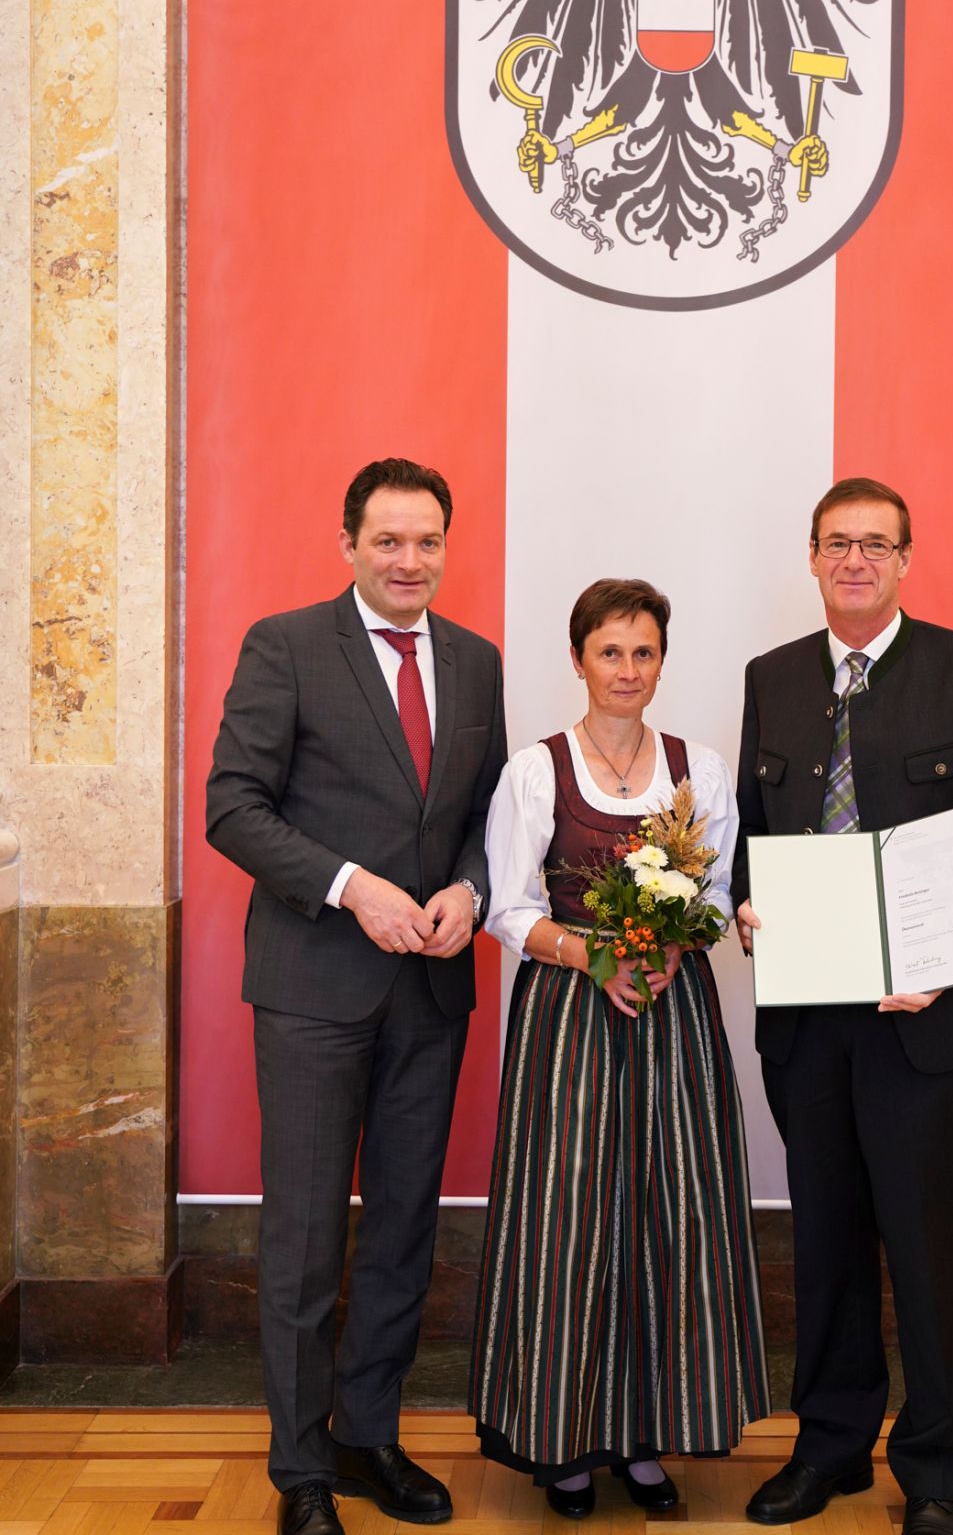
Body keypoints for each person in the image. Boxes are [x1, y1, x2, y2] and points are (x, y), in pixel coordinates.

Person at [734, 479, 953, 1535]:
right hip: (808, 1019)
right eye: (839, 543)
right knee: (823, 1234)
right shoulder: (771, 677)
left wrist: (946, 950)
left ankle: (933, 1471)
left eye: (877, 544)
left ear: (908, 558)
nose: (857, 560)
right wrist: (743, 904)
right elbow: (753, 829)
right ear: (813, 557)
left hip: (926, 1017)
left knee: (921, 1240)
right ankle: (829, 1446)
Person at [206, 458, 507, 1535]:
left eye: (427, 540)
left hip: (432, 988)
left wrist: (474, 885)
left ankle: (367, 1433)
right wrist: (349, 886)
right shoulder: (284, 646)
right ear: (348, 545)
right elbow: (232, 806)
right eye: (388, 540)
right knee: (301, 1233)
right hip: (313, 985)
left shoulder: (476, 662)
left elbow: (490, 810)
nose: (409, 560)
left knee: (401, 1227)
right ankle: (301, 1470)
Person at [470, 578, 769, 1519]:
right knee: (567, 1225)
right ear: (578, 659)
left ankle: (643, 1438)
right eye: (611, 652)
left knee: (666, 1216)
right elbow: (509, 909)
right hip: (570, 1019)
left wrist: (672, 945)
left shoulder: (699, 769)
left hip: (672, 1015)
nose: (628, 671)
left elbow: (719, 893)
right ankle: (561, 1444)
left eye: (644, 653)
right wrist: (593, 957)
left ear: (660, 662)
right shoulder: (535, 770)